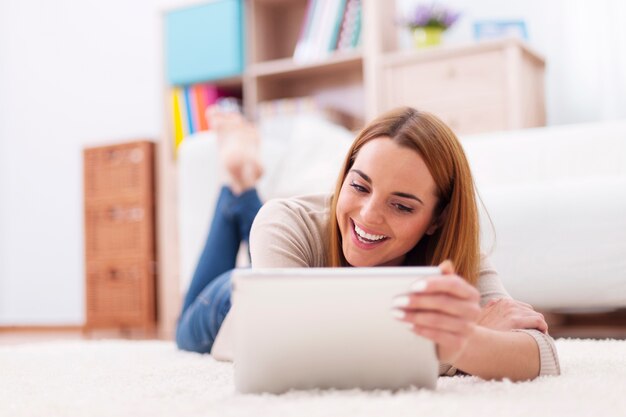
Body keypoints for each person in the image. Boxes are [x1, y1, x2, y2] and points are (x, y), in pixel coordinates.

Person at [176, 106, 560, 381]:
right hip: (228, 305)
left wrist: (463, 341)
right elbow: (299, 356)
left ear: (437, 219)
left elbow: (541, 354)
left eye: (401, 205)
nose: (369, 215)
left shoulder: (456, 254)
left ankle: (239, 189)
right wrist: (445, 348)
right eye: (359, 185)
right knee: (182, 327)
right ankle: (239, 184)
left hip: (285, 277)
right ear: (344, 175)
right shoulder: (285, 222)